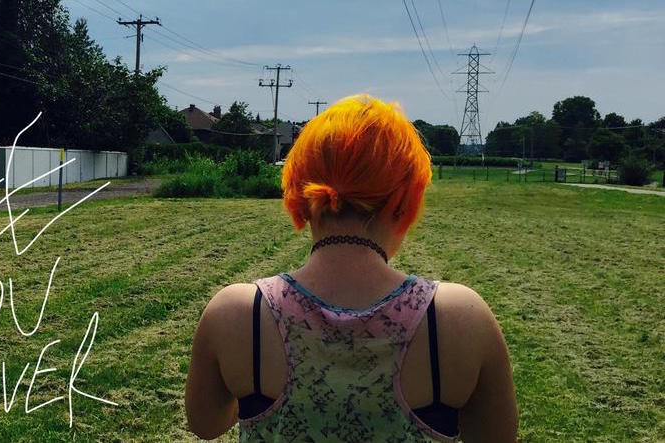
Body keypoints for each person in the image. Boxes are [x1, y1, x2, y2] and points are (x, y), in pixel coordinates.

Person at [183, 94, 517, 442]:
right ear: (403, 203)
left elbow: (206, 424)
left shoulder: (237, 313)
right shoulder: (460, 318)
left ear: (300, 194)